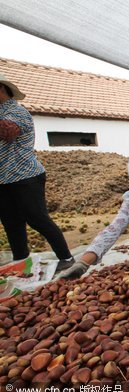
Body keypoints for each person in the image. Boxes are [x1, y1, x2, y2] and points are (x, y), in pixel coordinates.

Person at [0, 74, 75, 272]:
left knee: (37, 218)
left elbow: (8, 133)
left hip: (25, 176)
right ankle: (21, 262)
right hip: (3, 179)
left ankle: (66, 257)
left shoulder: (16, 111)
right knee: (11, 223)